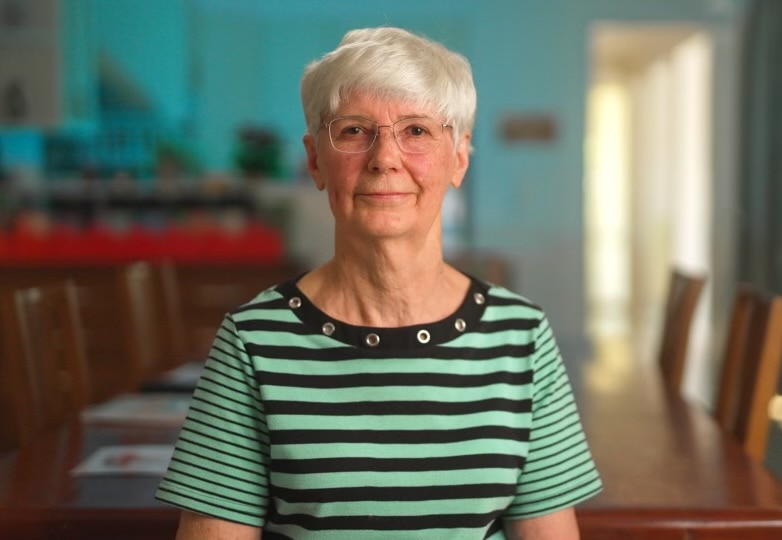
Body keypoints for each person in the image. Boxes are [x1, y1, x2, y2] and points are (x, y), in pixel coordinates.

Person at [156, 26, 602, 539]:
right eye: (353, 131)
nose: (384, 157)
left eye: (416, 130)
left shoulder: (520, 336)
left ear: (458, 157)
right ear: (315, 160)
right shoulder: (252, 340)